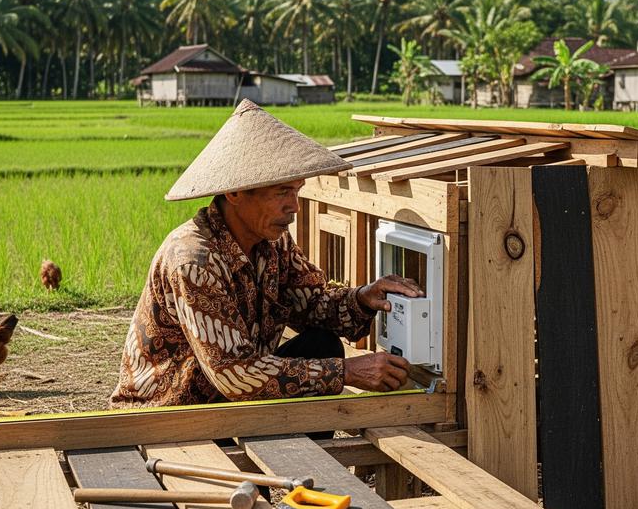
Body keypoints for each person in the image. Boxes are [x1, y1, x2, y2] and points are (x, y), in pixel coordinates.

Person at [110, 99, 419, 407]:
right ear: (235, 192)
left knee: (322, 344)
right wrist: (346, 372)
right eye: (282, 192)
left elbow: (313, 304)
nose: (294, 207)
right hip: (171, 410)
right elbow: (235, 375)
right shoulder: (193, 261)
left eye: (297, 191)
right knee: (327, 364)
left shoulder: (273, 243)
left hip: (229, 400)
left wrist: (364, 298)